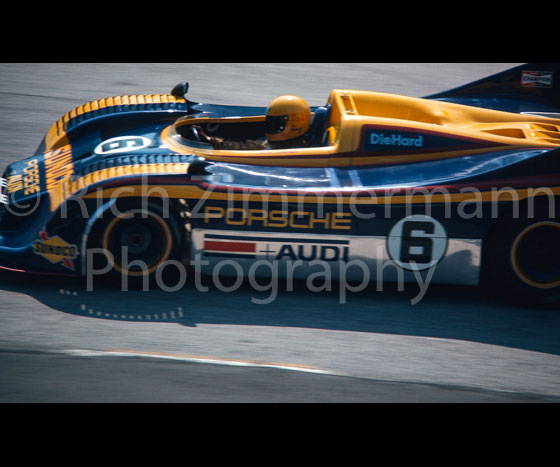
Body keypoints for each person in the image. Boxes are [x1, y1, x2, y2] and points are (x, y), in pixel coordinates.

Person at [197, 95, 312, 150]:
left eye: (276, 123)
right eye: (271, 121)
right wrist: (212, 141)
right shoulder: (275, 144)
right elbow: (246, 147)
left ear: (294, 124)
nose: (271, 126)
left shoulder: (298, 151)